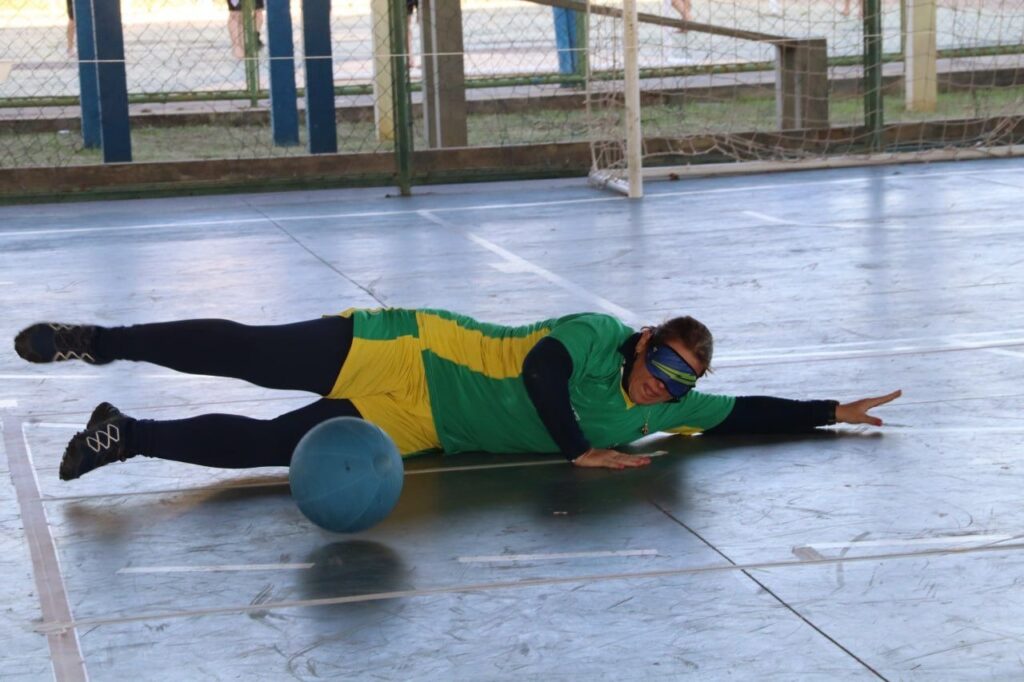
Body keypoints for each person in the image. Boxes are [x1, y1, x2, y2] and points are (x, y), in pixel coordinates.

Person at [13, 309, 901, 480]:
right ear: (641, 343)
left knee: (272, 448)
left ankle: (125, 436)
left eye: (678, 382)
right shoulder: (593, 336)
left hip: (417, 425)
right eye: (659, 364)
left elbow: (744, 414)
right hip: (410, 352)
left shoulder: (667, 409)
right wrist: (573, 449)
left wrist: (829, 411)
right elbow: (541, 374)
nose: (659, 386)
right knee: (254, 356)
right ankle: (97, 343)